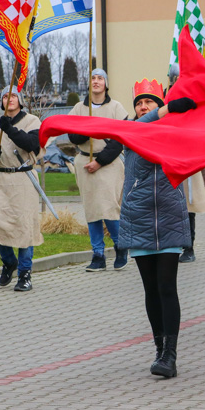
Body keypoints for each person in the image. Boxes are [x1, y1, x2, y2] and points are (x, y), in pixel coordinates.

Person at [119, 78, 195, 378]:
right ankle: (159, 349)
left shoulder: (173, 130)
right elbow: (142, 129)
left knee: (166, 286)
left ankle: (170, 356)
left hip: (168, 216)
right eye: (139, 102)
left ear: (159, 104)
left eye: (149, 101)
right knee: (150, 290)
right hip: (138, 218)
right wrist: (164, 111)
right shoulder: (129, 131)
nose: (142, 106)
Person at [0, 90, 44, 292]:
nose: (10, 99)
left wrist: (10, 130)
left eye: (13, 96)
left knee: (24, 229)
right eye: (6, 96)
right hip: (1, 181)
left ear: (20, 101)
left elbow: (32, 144)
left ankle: (25, 274)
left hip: (23, 179)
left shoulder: (32, 121)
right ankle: (8, 262)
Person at [66, 69, 129, 271]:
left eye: (100, 78)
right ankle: (98, 254)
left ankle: (120, 246)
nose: (96, 81)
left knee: (109, 208)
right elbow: (73, 136)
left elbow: (119, 140)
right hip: (84, 162)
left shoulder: (116, 108)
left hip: (108, 164)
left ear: (106, 84)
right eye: (93, 78)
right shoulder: (79, 108)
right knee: (92, 210)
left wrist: (100, 161)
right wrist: (88, 129)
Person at [167, 63, 205, 264]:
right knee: (170, 207)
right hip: (169, 159)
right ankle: (173, 245)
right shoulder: (164, 100)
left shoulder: (192, 99)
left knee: (188, 207)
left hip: (187, 159)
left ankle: (189, 247)